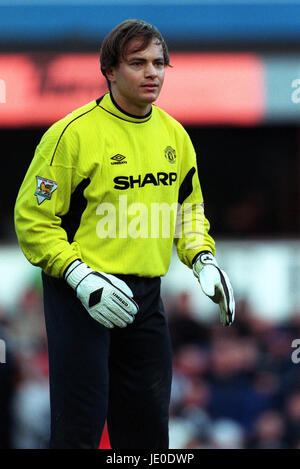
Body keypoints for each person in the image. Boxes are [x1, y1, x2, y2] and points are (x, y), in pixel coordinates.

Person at [14, 19, 235, 449]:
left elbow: (188, 211)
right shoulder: (70, 135)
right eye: (138, 63)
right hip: (81, 296)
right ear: (110, 71)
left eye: (159, 63)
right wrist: (78, 275)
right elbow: (32, 220)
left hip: (147, 300)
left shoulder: (176, 136)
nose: (152, 72)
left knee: (149, 435)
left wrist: (202, 259)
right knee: (80, 429)